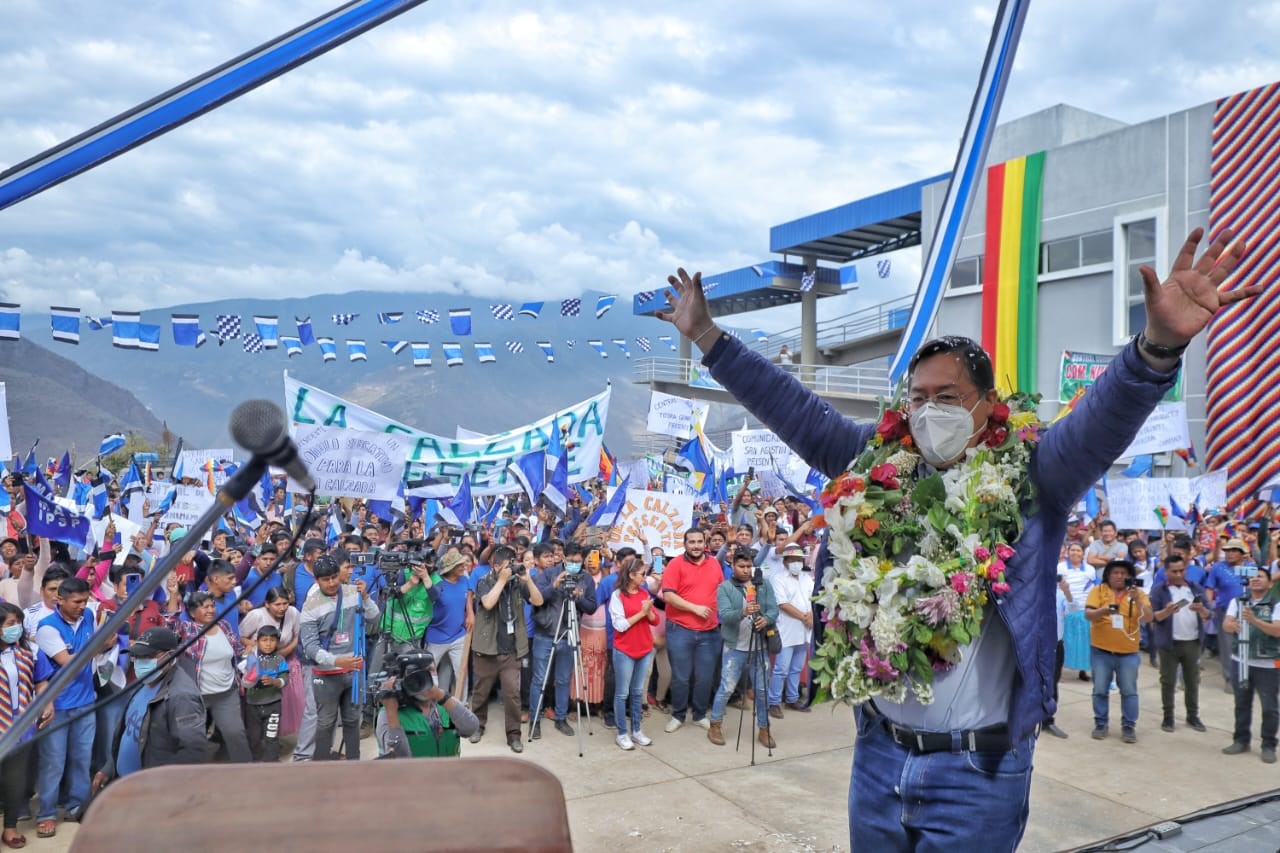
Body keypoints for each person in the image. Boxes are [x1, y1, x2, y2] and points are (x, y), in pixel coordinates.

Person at [655, 226, 1253, 849]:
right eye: (919, 398)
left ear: (988, 404)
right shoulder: (869, 463)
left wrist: (1155, 348)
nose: (929, 410)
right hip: (879, 758)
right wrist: (708, 338)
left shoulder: (1034, 477)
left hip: (979, 771)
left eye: (949, 397)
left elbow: (1099, 424)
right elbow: (792, 406)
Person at [92, 627, 206, 791]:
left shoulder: (182, 696)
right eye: (136, 656)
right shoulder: (143, 683)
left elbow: (193, 751)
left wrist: (161, 787)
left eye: (147, 657)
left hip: (151, 791)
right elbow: (128, 733)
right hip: (124, 784)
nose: (139, 662)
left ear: (171, 654)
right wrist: (109, 767)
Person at [33, 577, 98, 838]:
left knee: (82, 759)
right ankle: (46, 813)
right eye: (76, 602)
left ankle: (76, 806)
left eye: (85, 601)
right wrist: (99, 646)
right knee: (53, 762)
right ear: (60, 599)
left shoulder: (89, 616)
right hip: (57, 706)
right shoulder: (47, 627)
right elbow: (69, 663)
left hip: (86, 701)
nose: (82, 606)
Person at [298, 554, 380, 761]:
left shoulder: (354, 592)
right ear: (317, 580)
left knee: (353, 721)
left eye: (335, 577)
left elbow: (374, 618)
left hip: (353, 673)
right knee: (326, 723)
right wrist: (336, 661)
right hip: (325, 676)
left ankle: (354, 764)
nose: (332, 583)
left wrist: (367, 598)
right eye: (326, 579)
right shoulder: (309, 606)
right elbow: (310, 648)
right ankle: (323, 768)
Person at [470, 545, 543, 753]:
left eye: (512, 565)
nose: (510, 569)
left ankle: (514, 735)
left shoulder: (517, 583)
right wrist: (502, 580)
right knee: (481, 692)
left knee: (512, 695)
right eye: (506, 566)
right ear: (495, 566)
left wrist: (527, 579)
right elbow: (488, 603)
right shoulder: (484, 581)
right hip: (487, 649)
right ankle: (476, 726)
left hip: (511, 650)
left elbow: (538, 600)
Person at [166, 588, 252, 763]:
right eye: (205, 607)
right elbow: (170, 624)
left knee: (236, 733)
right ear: (191, 612)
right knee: (192, 739)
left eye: (212, 606)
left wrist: (249, 653)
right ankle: (192, 776)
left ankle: (246, 771)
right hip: (197, 696)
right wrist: (174, 595)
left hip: (227, 692)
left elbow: (237, 651)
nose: (211, 610)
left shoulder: (224, 626)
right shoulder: (188, 630)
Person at [707, 550, 779, 749]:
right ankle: (715, 725)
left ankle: (764, 729)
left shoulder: (763, 585)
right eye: (742, 567)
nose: (746, 570)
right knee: (727, 687)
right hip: (735, 646)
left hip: (760, 645)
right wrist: (743, 611)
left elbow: (774, 608)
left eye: (749, 566)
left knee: (762, 690)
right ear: (733, 565)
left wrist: (767, 619)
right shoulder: (725, 588)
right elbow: (725, 615)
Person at [530, 541, 598, 739]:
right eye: (570, 561)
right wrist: (554, 585)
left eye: (578, 561)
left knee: (562, 679)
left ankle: (561, 718)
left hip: (569, 634)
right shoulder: (549, 574)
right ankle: (535, 720)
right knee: (539, 680)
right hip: (546, 634)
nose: (574, 564)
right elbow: (537, 599)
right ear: (563, 558)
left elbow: (591, 607)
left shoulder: (586, 579)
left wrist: (579, 598)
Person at [0, 601, 53, 850]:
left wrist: (47, 702)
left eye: (19, 623)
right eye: (11, 624)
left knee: (15, 780)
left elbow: (40, 680)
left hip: (21, 726)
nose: (17, 628)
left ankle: (10, 828)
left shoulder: (30, 650)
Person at [660, 528, 723, 733]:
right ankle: (678, 715)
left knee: (705, 677)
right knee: (681, 677)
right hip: (681, 630)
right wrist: (694, 608)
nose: (695, 546)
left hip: (710, 631)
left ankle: (698, 715)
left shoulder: (714, 563)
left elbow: (721, 591)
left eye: (699, 541)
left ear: (705, 542)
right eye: (691, 542)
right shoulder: (675, 565)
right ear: (684, 544)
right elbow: (668, 596)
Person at [1085, 559, 1154, 742]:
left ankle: (1129, 726)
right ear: (1108, 574)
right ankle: (1101, 723)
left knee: (1129, 691)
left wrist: (1138, 600)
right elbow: (1088, 615)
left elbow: (1149, 617)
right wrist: (1104, 611)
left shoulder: (1138, 593)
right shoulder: (1098, 591)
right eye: (1115, 572)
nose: (1119, 576)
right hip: (1101, 650)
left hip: (1128, 652)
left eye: (1124, 573)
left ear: (1130, 576)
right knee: (1100, 689)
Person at [1222, 566, 1280, 763]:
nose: (1256, 579)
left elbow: (1277, 631)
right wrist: (1234, 625)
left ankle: (1269, 744)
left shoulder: (1276, 604)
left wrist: (1253, 620)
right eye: (1253, 576)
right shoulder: (1238, 601)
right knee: (1242, 703)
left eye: (1261, 576)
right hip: (1241, 661)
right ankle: (1241, 740)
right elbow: (1226, 624)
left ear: (1269, 583)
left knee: (1270, 706)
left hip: (1268, 664)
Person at [1147, 554, 1210, 733]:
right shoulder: (1159, 590)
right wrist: (1166, 612)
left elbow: (1209, 614)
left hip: (1192, 641)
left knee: (1192, 681)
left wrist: (1202, 610)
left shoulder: (1195, 588)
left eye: (1181, 570)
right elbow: (1153, 617)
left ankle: (1193, 716)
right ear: (1166, 572)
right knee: (1168, 681)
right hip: (1169, 643)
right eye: (1174, 571)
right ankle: (1168, 717)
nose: (1178, 574)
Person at [376, 652, 480, 758]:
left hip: (450, 773)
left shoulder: (446, 704)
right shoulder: (389, 713)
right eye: (416, 673)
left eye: (430, 670)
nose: (426, 677)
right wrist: (391, 712)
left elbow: (471, 728)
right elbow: (399, 759)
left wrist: (442, 697)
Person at [608, 553, 658, 750]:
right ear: (631, 575)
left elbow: (655, 621)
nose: (644, 578)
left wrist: (649, 612)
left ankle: (636, 730)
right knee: (622, 693)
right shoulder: (617, 596)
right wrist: (642, 613)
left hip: (644, 648)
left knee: (637, 692)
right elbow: (619, 625)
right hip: (624, 651)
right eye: (642, 574)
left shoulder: (644, 593)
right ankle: (622, 733)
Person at [768, 543, 813, 716]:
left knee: (797, 667)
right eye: (793, 560)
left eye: (799, 560)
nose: (797, 563)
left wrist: (810, 616)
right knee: (781, 668)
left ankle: (792, 698)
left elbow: (813, 599)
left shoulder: (806, 578)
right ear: (785, 561)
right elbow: (783, 603)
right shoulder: (778, 578)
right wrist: (804, 616)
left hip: (804, 630)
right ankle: (774, 701)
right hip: (787, 630)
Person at [425, 551, 473, 699]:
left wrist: (470, 612)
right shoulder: (438, 583)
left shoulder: (464, 580)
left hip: (459, 635)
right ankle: (432, 709)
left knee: (462, 674)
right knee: (430, 675)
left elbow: (469, 593)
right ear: (450, 569)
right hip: (436, 636)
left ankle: (461, 707)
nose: (463, 566)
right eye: (459, 565)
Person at [1205, 538, 1249, 690]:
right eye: (1228, 551)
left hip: (1248, 612)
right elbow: (1209, 587)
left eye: (1234, 550)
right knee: (1227, 646)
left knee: (1247, 645)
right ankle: (1230, 678)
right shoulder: (1218, 567)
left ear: (1242, 553)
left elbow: (1259, 584)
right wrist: (1208, 605)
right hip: (1225, 612)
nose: (1230, 554)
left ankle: (1247, 678)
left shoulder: (1251, 567)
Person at [241, 624, 289, 762]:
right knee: (254, 737)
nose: (268, 644)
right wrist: (245, 660)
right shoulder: (251, 658)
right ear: (257, 642)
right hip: (252, 704)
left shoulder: (279, 660)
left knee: (271, 736)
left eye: (272, 640)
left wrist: (275, 682)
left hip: (273, 704)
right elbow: (242, 673)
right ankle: (255, 761)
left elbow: (285, 678)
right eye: (264, 640)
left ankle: (271, 762)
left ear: (277, 642)